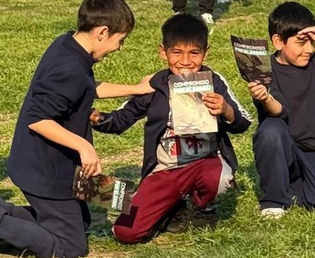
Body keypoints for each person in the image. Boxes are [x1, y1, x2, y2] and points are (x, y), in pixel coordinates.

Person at [0, 0, 150, 258]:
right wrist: (83, 146)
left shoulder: (67, 45)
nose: (120, 48)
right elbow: (38, 120)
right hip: (44, 171)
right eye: (121, 40)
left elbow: (85, 88)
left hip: (46, 165)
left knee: (80, 224)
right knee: (70, 247)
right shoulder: (70, 69)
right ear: (102, 32)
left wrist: (138, 88)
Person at [91, 13, 251, 244]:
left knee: (221, 179)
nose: (185, 61)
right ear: (163, 52)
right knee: (126, 232)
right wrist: (97, 118)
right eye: (176, 52)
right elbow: (123, 117)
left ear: (206, 53)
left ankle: (201, 206)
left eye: (194, 53)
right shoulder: (155, 85)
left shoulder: (214, 81)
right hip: (164, 169)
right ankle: (160, 203)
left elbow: (243, 122)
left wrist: (226, 110)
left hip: (204, 162)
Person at [249, 2, 315, 219]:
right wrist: (265, 97)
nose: (309, 49)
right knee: (271, 130)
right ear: (278, 41)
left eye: (312, 42)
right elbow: (279, 110)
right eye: (301, 42)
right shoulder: (264, 69)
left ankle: (297, 186)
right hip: (285, 143)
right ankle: (273, 200)